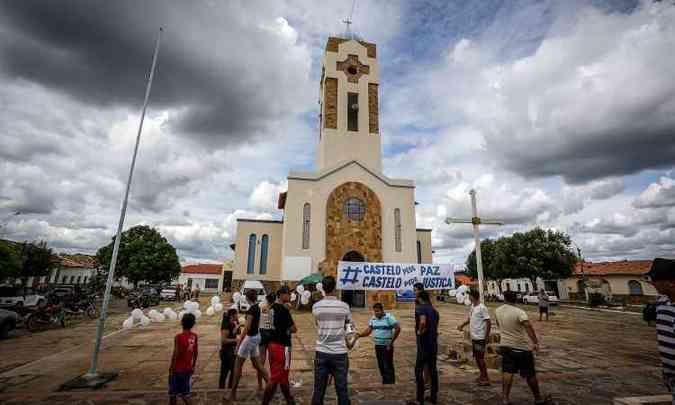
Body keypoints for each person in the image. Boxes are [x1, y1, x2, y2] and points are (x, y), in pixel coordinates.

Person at [495, 290, 552, 405]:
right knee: (530, 374)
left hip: (505, 346)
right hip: (521, 347)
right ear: (515, 299)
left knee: (507, 372)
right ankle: (537, 398)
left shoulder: (497, 311)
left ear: (504, 298)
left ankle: (505, 398)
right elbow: (528, 326)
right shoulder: (519, 312)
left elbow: (498, 324)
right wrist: (535, 342)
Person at [311, 275, 352, 405]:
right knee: (342, 390)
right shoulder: (344, 306)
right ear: (335, 288)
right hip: (340, 352)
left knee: (318, 389)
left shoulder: (316, 307)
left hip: (321, 351)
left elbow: (318, 324)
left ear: (322, 288)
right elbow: (349, 326)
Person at [227, 289, 269, 402]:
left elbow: (247, 327)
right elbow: (250, 323)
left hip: (250, 338)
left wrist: (239, 342)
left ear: (247, 298)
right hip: (256, 337)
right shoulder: (258, 307)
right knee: (258, 365)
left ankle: (232, 393)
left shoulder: (251, 310)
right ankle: (271, 386)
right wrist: (241, 324)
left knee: (237, 365)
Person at [646, 257, 675, 404]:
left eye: (655, 279)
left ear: (671, 282)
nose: (652, 283)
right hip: (670, 377)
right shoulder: (662, 302)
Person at [262, 287, 297, 405]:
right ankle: (265, 402)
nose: (290, 296)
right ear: (282, 295)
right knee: (275, 378)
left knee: (282, 376)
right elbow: (293, 328)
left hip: (272, 344)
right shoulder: (283, 309)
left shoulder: (271, 308)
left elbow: (271, 325)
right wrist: (287, 329)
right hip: (283, 347)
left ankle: (289, 400)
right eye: (288, 294)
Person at [356, 302, 401, 384]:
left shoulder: (389, 318)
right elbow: (368, 330)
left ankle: (390, 383)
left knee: (387, 365)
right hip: (378, 345)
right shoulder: (373, 318)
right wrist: (360, 335)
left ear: (382, 310)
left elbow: (398, 328)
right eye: (375, 311)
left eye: (378, 311)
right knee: (381, 365)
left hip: (387, 346)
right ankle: (385, 381)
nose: (376, 313)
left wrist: (391, 342)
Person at [458, 289, 492, 386]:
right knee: (477, 358)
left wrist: (486, 336)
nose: (468, 298)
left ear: (473, 297)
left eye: (469, 296)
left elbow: (488, 322)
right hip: (474, 337)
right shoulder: (473, 306)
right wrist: (462, 325)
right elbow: (470, 319)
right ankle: (482, 375)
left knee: (480, 358)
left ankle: (486, 378)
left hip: (480, 337)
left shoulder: (482, 308)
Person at [412, 291, 439, 405]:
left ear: (420, 298)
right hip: (433, 344)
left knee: (418, 370)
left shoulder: (421, 308)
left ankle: (419, 398)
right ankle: (433, 397)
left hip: (424, 345)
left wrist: (420, 331)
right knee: (433, 371)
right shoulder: (435, 311)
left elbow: (423, 322)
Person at [169, 313, 199, 405]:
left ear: (182, 323)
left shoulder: (178, 337)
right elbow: (196, 352)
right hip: (188, 368)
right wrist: (193, 366)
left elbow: (176, 353)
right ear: (193, 324)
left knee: (173, 394)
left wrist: (171, 367)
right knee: (185, 393)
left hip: (178, 369)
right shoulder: (194, 336)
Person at [259, 293, 276, 391]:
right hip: (271, 332)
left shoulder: (262, 307)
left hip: (262, 331)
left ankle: (260, 383)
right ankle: (272, 381)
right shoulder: (275, 309)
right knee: (272, 360)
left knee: (261, 360)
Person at [219, 309, 239, 390]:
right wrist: (236, 340)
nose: (237, 316)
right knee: (226, 372)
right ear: (232, 315)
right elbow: (224, 340)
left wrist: (236, 328)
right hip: (227, 352)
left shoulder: (233, 324)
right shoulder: (226, 325)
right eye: (236, 314)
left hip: (232, 351)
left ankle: (229, 388)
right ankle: (222, 389)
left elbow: (232, 334)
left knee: (233, 372)